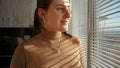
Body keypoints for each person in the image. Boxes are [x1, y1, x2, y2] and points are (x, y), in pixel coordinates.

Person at [10, 0, 86, 68]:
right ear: (43, 14)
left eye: (69, 8)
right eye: (60, 8)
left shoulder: (76, 43)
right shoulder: (24, 50)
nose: (68, 15)